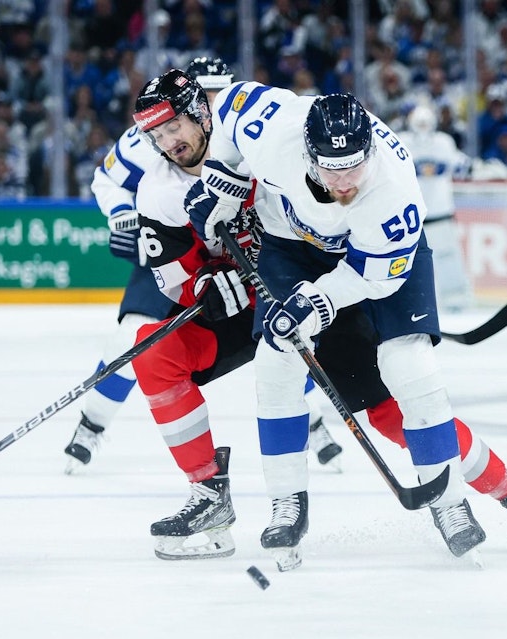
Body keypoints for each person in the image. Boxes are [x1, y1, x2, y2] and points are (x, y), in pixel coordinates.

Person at [184, 85, 507, 568]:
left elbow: (370, 277)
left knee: (409, 368)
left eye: (354, 167)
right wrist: (221, 180)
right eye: (331, 167)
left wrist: (320, 301)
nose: (344, 181)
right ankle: (287, 503)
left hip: (378, 264)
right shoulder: (275, 129)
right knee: (276, 360)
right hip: (292, 249)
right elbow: (231, 104)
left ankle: (454, 502)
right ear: (307, 152)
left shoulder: (394, 192)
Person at [62, 57, 343, 475]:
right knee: (133, 339)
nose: (215, 102)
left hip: (240, 261)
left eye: (220, 93)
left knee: (282, 330)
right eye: (207, 92)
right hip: (171, 254)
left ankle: (314, 421)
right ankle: (91, 424)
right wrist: (125, 218)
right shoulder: (154, 138)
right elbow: (107, 180)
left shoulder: (243, 136)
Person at [398, 104, 474, 312]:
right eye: (419, 123)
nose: (422, 127)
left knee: (448, 257)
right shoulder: (401, 141)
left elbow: (463, 166)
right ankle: (408, 303)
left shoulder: (443, 142)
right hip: (412, 218)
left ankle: (455, 300)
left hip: (440, 213)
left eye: (426, 123)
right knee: (406, 262)